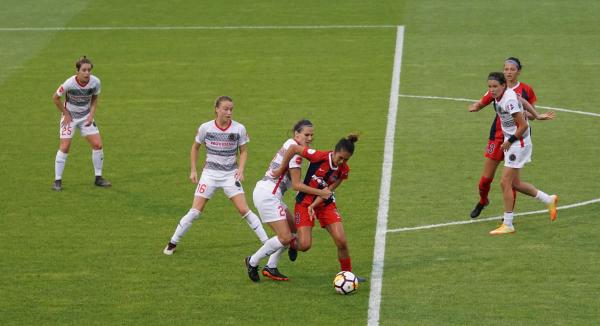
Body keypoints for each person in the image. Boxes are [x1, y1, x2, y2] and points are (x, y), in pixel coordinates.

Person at [163, 96, 268, 255]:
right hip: (210, 175)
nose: (229, 112)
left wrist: (241, 169)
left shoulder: (239, 128)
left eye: (231, 109)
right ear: (217, 109)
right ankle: (173, 242)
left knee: (244, 210)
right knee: (195, 211)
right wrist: (193, 170)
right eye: (226, 109)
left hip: (229, 175)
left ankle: (267, 243)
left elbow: (244, 151)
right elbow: (195, 148)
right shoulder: (205, 128)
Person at [244, 120, 332, 282]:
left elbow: (296, 184)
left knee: (293, 232)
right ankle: (253, 261)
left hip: (270, 194)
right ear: (296, 134)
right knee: (285, 237)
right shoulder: (296, 156)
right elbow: (297, 185)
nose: (310, 138)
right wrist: (322, 192)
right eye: (306, 135)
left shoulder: (290, 144)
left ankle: (271, 266)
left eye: (312, 135)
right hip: (267, 195)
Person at [270, 134, 365, 281]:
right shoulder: (319, 156)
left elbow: (328, 192)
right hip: (304, 203)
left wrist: (314, 205)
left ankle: (348, 275)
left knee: (341, 241)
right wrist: (282, 168)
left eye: (346, 160)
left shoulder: (343, 170)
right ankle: (293, 245)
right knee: (305, 245)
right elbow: (294, 148)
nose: (342, 162)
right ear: (334, 151)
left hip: (325, 204)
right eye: (340, 157)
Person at [468, 57, 555, 218]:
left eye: (512, 69)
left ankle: (508, 217)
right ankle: (483, 201)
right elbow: (484, 101)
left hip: (515, 137)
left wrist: (530, 114)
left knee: (509, 182)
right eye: (506, 69)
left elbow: (526, 115)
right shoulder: (497, 88)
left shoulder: (523, 90)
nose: (508, 72)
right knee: (485, 180)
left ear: (518, 71)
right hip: (498, 136)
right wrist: (476, 106)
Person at [483, 72, 558, 235]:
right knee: (515, 183)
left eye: (495, 86)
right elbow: (522, 100)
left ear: (503, 86)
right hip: (515, 141)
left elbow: (523, 125)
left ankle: (508, 224)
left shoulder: (508, 100)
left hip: (518, 143)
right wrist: (537, 115)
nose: (492, 90)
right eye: (489, 87)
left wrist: (508, 141)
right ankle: (548, 199)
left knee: (505, 183)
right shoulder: (507, 94)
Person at [51, 56, 111, 191]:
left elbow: (95, 98)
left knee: (98, 144)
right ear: (77, 71)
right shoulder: (69, 83)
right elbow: (55, 98)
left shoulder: (95, 82)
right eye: (84, 70)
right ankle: (57, 180)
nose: (87, 73)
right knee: (65, 147)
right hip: (70, 118)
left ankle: (98, 178)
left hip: (85, 117)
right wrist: (66, 114)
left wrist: (91, 115)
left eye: (89, 70)